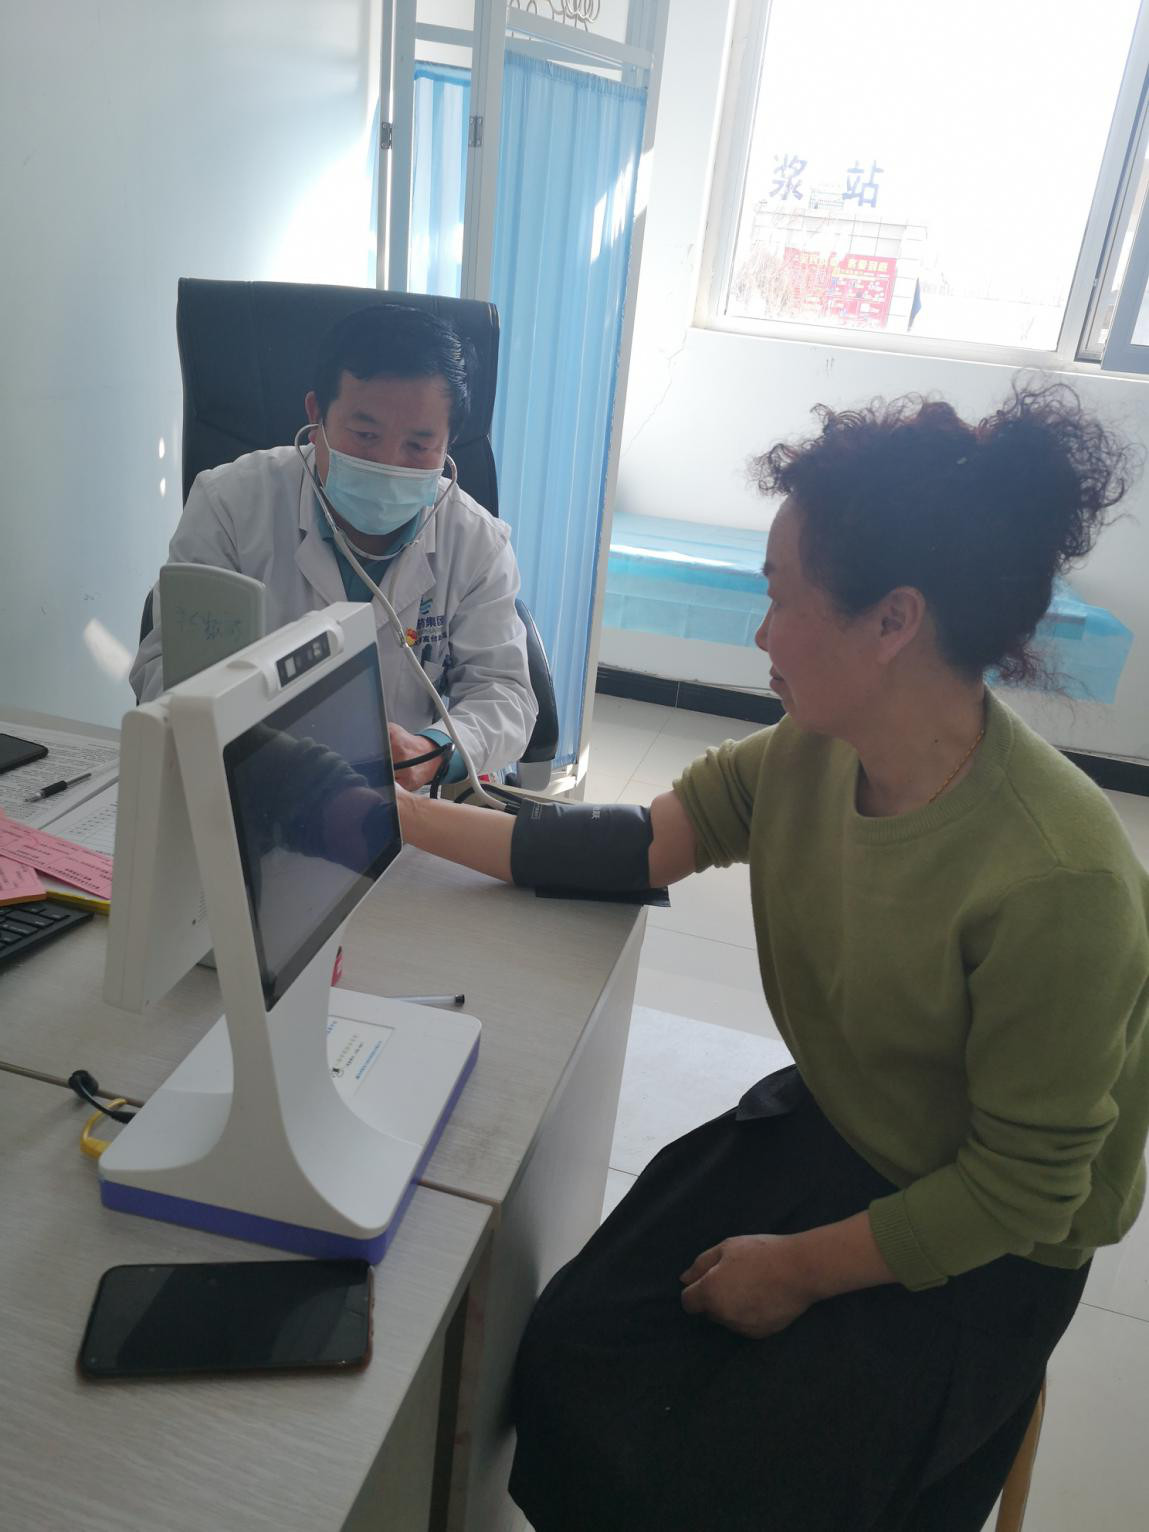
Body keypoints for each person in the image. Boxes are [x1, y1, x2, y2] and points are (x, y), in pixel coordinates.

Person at [393, 380, 1149, 1530]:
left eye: (780, 595)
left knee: (729, 1490)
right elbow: (639, 843)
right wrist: (396, 813)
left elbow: (1023, 1191)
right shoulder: (812, 750)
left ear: (893, 622)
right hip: (843, 1123)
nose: (759, 630)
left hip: (981, 1239)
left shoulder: (1058, 879)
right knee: (572, 1355)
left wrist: (797, 1266)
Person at [130, 304, 537, 790]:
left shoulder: (476, 542)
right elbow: (165, 672)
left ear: (449, 444)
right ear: (315, 415)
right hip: (248, 784)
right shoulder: (231, 505)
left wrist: (432, 749)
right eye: (365, 434)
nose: (389, 462)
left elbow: (505, 694)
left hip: (397, 798)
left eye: (418, 445)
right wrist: (257, 750)